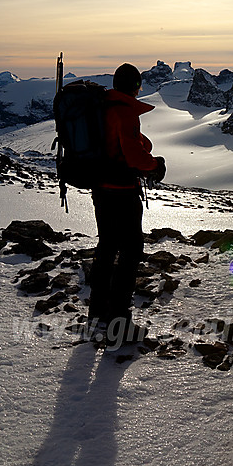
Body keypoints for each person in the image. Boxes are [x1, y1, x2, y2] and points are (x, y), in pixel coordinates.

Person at [88, 63, 165, 345]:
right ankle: (119, 322)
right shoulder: (125, 111)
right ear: (135, 86)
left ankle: (97, 312)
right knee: (131, 251)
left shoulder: (105, 107)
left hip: (101, 189)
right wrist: (155, 164)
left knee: (107, 246)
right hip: (122, 190)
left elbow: (124, 141)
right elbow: (134, 156)